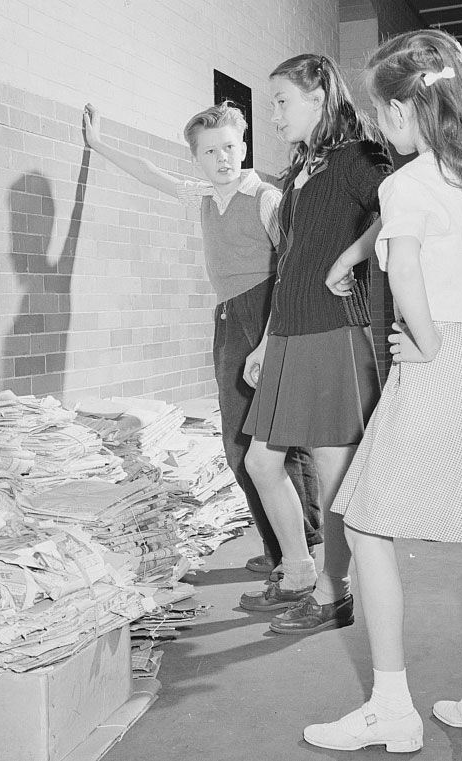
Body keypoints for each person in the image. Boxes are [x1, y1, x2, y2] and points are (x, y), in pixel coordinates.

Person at [301, 29, 462, 753]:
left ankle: (391, 707)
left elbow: (404, 273)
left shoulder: (405, 184)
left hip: (437, 366)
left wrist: (432, 340)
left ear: (407, 109)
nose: (380, 127)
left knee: (370, 527)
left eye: (382, 113)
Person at [81, 101, 323, 583]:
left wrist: (270, 338)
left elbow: (293, 270)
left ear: (244, 146)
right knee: (257, 442)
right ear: (197, 158)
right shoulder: (206, 196)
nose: (223, 158)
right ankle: (288, 544)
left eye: (231, 147)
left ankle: (295, 550)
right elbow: (151, 174)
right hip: (231, 317)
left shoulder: (264, 197)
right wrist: (98, 143)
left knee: (263, 441)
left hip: (265, 316)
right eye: (210, 151)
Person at [238, 54, 392, 630]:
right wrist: (265, 340)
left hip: (334, 332)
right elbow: (289, 261)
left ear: (320, 93)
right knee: (260, 460)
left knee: (333, 472)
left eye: (281, 102)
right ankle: (299, 567)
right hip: (288, 333)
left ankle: (334, 592)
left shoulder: (359, 158)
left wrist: (350, 257)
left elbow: (399, 213)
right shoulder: (302, 167)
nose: (272, 116)